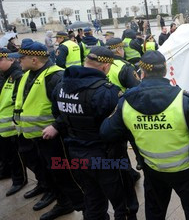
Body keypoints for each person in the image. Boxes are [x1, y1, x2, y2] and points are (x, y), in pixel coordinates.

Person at [100, 51, 189, 220]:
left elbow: (106, 132)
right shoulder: (183, 99)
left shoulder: (126, 102)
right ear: (165, 70)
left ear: (141, 73)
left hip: (153, 170)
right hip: (185, 170)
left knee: (155, 213)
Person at [43, 46, 139, 220]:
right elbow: (121, 126)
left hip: (77, 155)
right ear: (104, 67)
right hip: (107, 157)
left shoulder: (61, 87)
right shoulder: (107, 91)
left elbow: (59, 116)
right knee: (123, 202)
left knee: (92, 200)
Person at [11, 39, 84, 220]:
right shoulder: (28, 74)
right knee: (49, 173)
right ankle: (60, 199)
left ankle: (76, 205)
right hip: (34, 136)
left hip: (53, 140)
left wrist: (56, 126)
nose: (18, 61)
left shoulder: (55, 77)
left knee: (63, 175)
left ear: (34, 60)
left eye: (21, 58)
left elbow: (70, 109)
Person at [0, 48, 27, 196]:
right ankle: (7, 172)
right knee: (5, 154)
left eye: (0, 59)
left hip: (11, 125)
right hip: (3, 125)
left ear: (11, 59)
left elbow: (18, 103)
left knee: (15, 155)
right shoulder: (3, 74)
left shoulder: (17, 76)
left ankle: (19, 179)